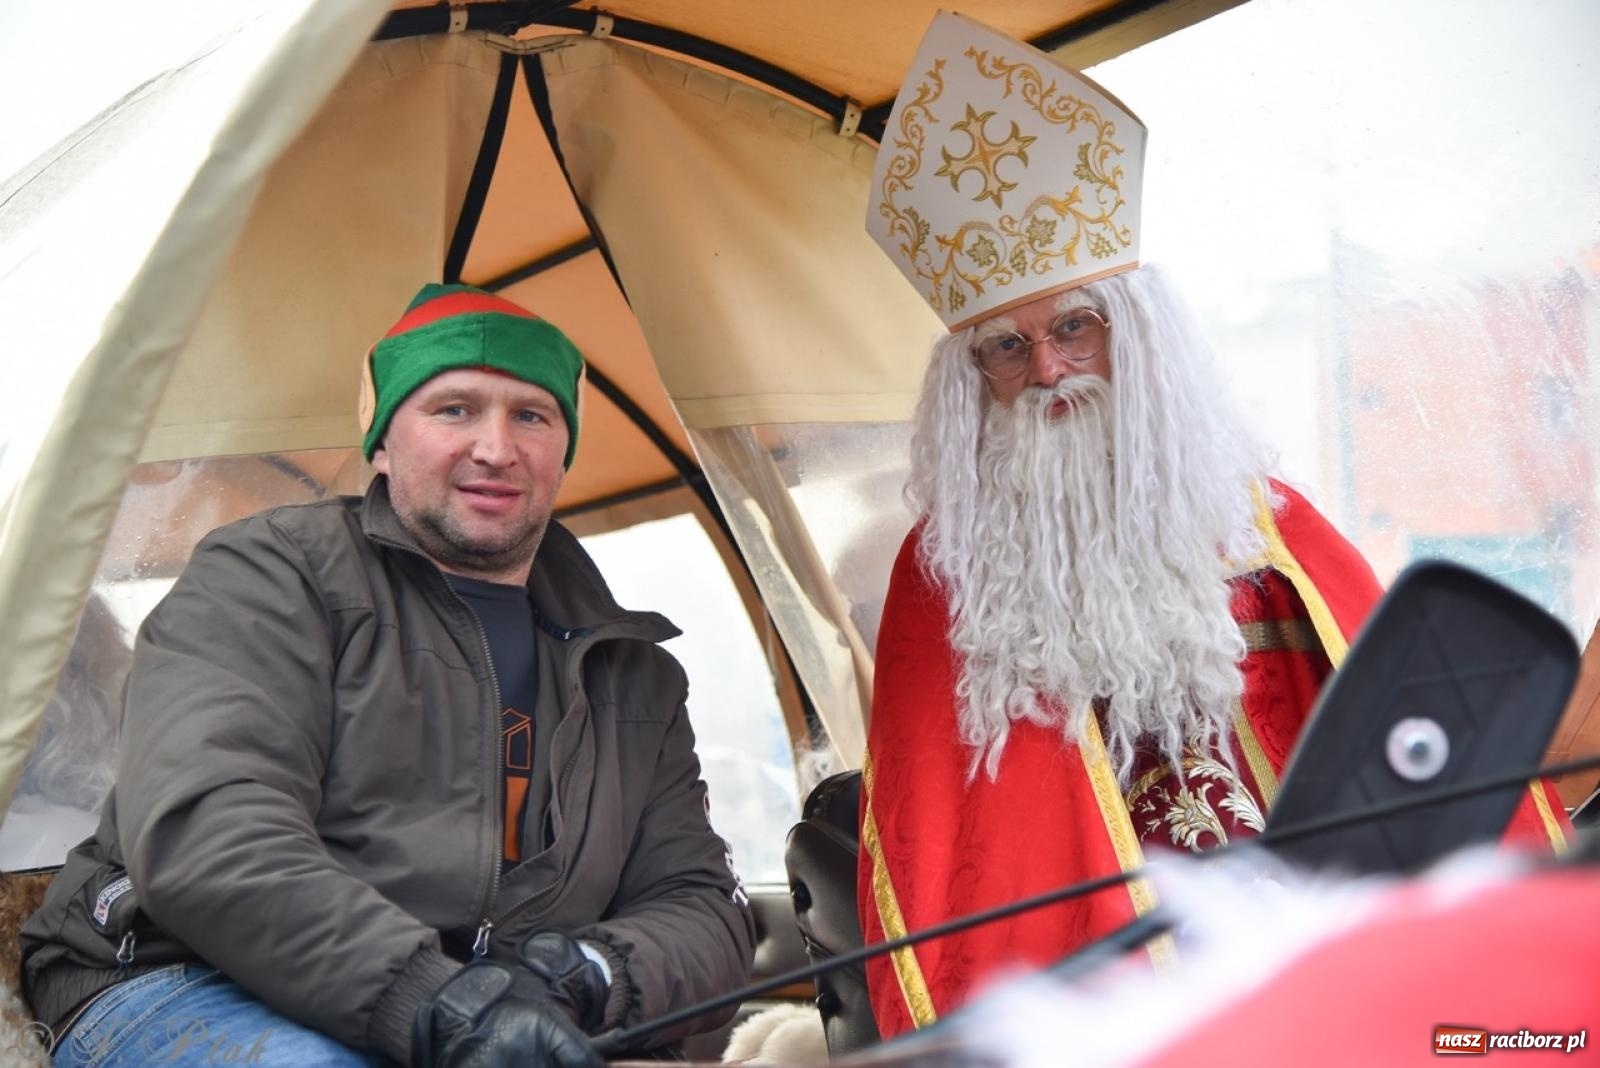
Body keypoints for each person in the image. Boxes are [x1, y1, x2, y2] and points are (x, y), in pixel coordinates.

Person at [856, 13, 1570, 1040]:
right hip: (1111, 1020)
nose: (1048, 372)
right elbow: (951, 875)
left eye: (1073, 326)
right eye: (1006, 350)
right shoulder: (945, 573)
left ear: (1137, 333)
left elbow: (1413, 756)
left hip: (1314, 969)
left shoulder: (1261, 521)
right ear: (970, 384)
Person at [21, 283, 756, 1066]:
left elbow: (702, 903)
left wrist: (582, 972)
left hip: (478, 1008)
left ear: (561, 455)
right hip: (181, 977)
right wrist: (441, 1003)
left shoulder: (634, 673)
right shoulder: (271, 576)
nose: (496, 448)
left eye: (531, 416)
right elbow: (211, 835)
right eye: (454, 410)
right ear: (381, 443)